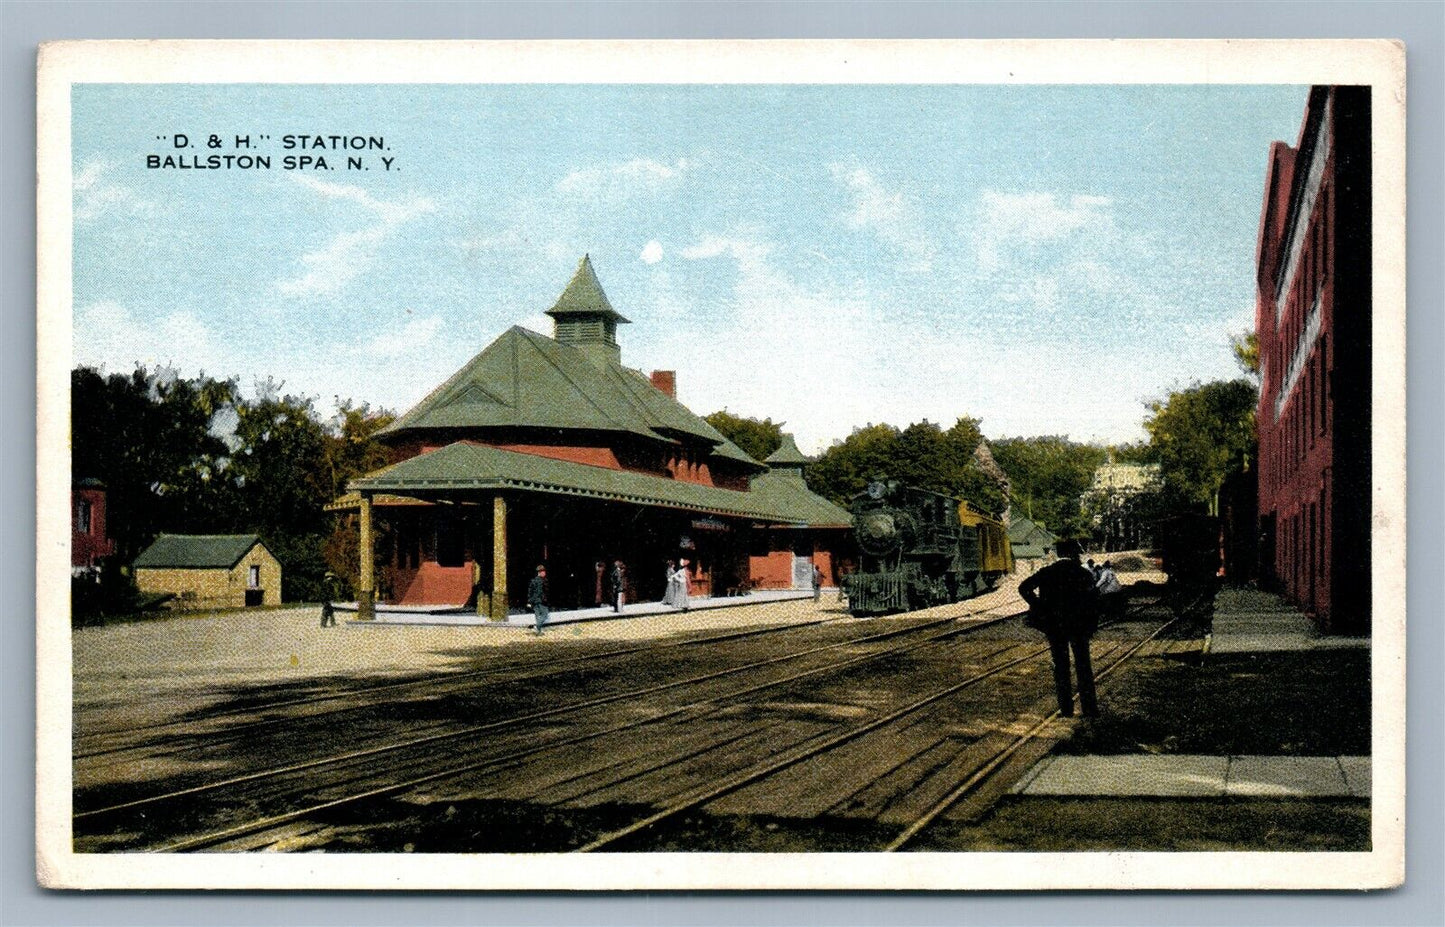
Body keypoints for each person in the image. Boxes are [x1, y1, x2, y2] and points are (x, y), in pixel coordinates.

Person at [1018, 538, 1099, 718]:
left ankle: (1066, 710)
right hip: (1078, 626)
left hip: (1054, 625)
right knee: (1083, 664)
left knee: (1061, 666)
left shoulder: (1047, 572)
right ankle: (1089, 709)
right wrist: (1091, 622)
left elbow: (1023, 588)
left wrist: (1039, 606)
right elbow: (1093, 600)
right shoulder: (1083, 574)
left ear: (1059, 553)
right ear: (1073, 553)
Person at [527, 564, 549, 635]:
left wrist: (530, 601)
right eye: (543, 571)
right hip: (541, 601)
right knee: (545, 615)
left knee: (538, 616)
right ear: (540, 572)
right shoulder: (542, 581)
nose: (545, 573)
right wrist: (544, 599)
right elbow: (540, 592)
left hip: (534, 601)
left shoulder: (533, 580)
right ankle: (537, 627)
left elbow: (530, 592)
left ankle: (538, 632)